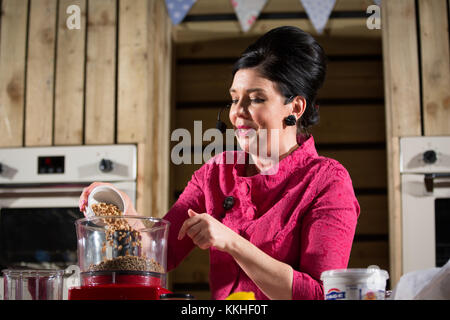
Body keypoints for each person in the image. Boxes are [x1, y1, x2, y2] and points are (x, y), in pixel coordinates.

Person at [79, 26, 360, 300]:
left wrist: (232, 242)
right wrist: (129, 216)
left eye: (256, 99)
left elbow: (321, 295)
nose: (237, 113)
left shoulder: (328, 181)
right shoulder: (216, 172)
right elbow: (161, 255)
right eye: (235, 99)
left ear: (295, 108)